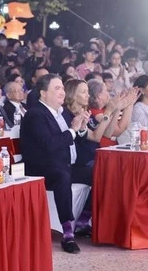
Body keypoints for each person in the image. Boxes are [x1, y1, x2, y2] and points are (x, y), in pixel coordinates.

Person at [20, 74, 93, 254]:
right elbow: (49, 145)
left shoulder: (62, 112)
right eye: (57, 88)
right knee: (62, 176)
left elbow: (75, 137)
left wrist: (81, 128)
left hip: (65, 164)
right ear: (43, 93)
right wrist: (73, 130)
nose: (62, 92)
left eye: (62, 88)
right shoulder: (35, 114)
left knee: (98, 172)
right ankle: (67, 233)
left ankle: (83, 220)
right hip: (42, 168)